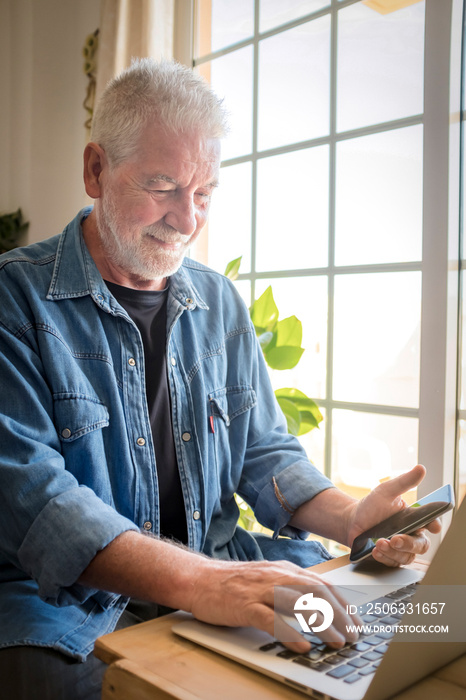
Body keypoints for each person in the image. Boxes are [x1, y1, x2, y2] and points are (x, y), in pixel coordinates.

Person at [0, 59, 440, 699]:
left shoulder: (220, 303)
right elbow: (37, 502)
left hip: (221, 573)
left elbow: (264, 452)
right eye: (163, 186)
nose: (188, 220)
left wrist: (352, 519)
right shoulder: (15, 299)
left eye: (203, 192)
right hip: (68, 607)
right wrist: (203, 584)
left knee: (419, 630)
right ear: (95, 169)